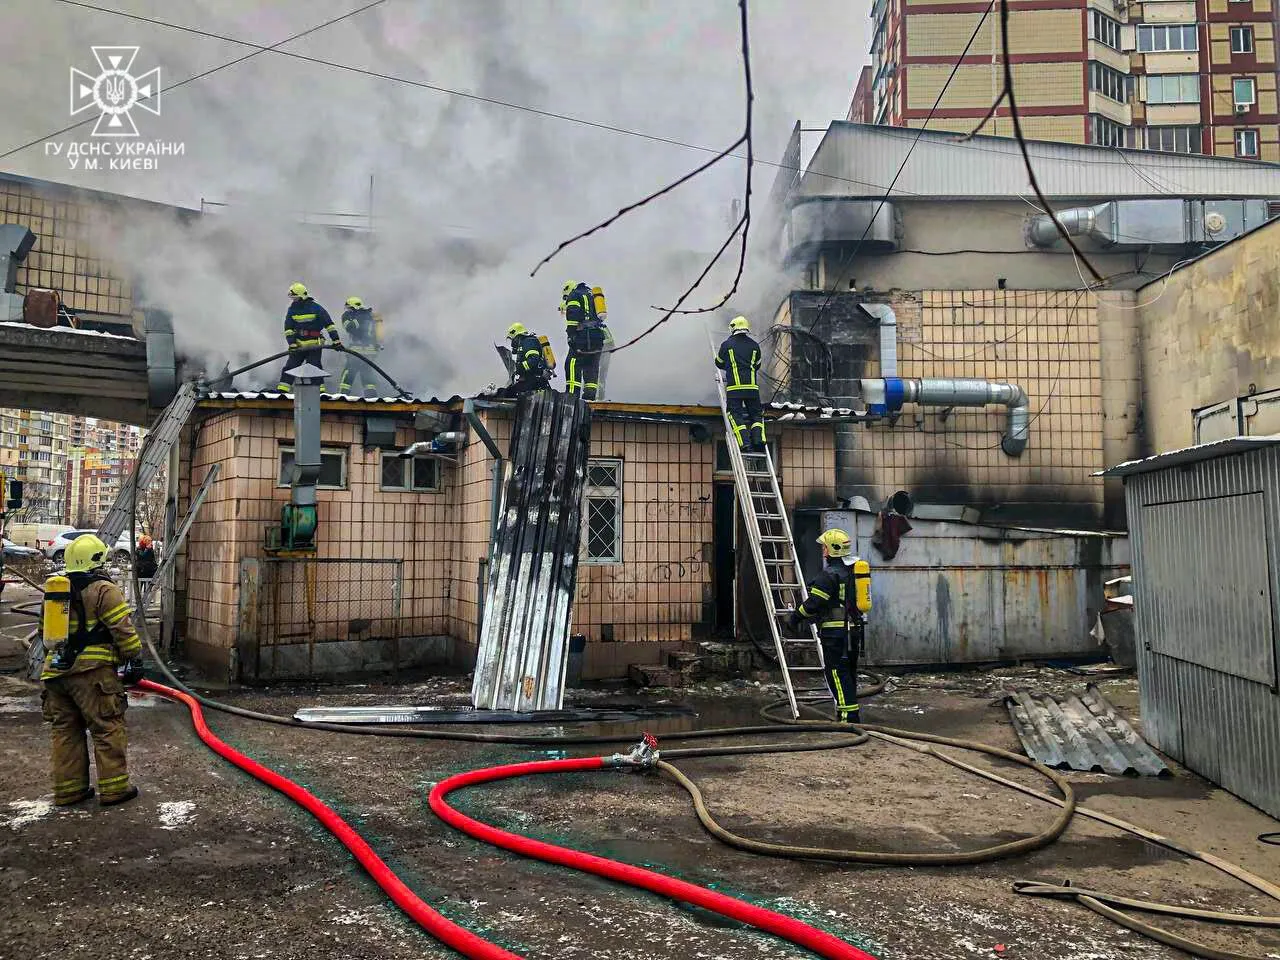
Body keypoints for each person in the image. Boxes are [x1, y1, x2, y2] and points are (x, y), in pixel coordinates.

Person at [40, 534, 145, 806]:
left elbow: (43, 634)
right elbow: (123, 630)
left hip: (55, 676)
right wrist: (134, 658)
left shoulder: (56, 591)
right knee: (107, 728)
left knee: (66, 732)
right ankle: (115, 789)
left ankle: (69, 791)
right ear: (95, 561)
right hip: (92, 675)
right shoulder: (103, 590)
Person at [788, 529, 867, 724]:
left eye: (825, 547)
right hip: (853, 631)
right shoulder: (853, 571)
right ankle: (848, 714)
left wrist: (795, 617)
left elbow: (814, 604)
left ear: (832, 549)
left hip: (835, 634)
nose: (823, 550)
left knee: (837, 674)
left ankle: (849, 718)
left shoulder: (829, 575)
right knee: (848, 673)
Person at [276, 282, 342, 393]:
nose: (293, 300)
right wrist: (292, 344)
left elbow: (329, 325)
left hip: (314, 344)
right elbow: (288, 329)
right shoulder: (292, 309)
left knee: (314, 368)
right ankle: (282, 391)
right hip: (298, 345)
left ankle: (320, 393)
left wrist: (336, 340)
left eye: (295, 297)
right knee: (290, 367)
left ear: (301, 296)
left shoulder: (316, 308)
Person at [715, 315, 765, 453]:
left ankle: (745, 443)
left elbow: (719, 363)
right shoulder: (755, 346)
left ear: (733, 328)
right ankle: (758, 440)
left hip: (735, 389)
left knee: (735, 414)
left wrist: (730, 365)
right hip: (752, 389)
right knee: (756, 415)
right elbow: (757, 365)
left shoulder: (727, 345)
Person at [561, 281, 607, 400]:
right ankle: (589, 396)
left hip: (583, 336)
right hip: (597, 337)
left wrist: (571, 336)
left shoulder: (574, 294)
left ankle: (572, 395)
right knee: (591, 366)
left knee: (572, 363)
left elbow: (573, 316)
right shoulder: (592, 294)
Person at [337, 296, 383, 397]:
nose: (348, 311)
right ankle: (371, 397)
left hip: (356, 351)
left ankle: (342, 396)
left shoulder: (359, 316)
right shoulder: (370, 316)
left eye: (349, 308)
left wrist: (355, 318)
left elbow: (350, 328)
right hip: (370, 351)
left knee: (348, 373)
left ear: (355, 307)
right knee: (367, 374)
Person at [503, 322, 553, 396]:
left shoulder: (528, 342)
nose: (512, 342)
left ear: (516, 336)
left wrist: (519, 367)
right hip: (531, 380)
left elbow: (533, 360)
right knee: (509, 392)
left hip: (534, 380)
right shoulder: (524, 343)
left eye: (512, 339)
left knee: (509, 393)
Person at [134, 535, 158, 602]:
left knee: (147, 585)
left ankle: (146, 598)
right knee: (140, 584)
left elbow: (152, 558)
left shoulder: (150, 549)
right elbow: (142, 556)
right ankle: (138, 599)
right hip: (141, 570)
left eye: (150, 541)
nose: (150, 542)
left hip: (149, 570)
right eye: (148, 541)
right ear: (144, 542)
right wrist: (147, 549)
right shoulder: (139, 549)